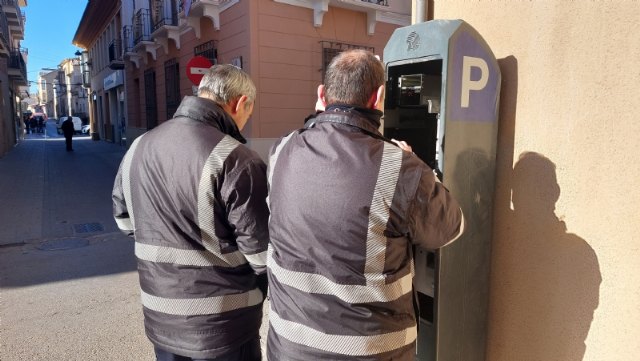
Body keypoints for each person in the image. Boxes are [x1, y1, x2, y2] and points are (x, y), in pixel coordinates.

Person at [265, 49, 465, 361]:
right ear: (379, 97)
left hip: (290, 346)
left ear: (321, 95)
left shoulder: (282, 151)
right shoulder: (401, 169)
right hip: (369, 353)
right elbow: (451, 227)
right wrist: (420, 168)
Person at [112, 64, 269, 361]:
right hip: (224, 327)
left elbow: (124, 221)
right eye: (249, 112)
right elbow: (262, 255)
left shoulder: (138, 146)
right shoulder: (237, 159)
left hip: (162, 319)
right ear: (240, 103)